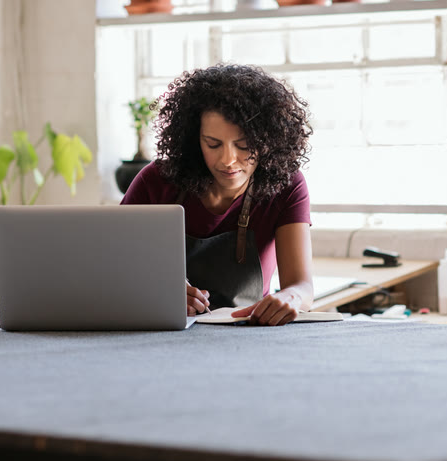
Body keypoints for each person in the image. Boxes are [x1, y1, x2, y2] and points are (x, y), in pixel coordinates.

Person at [121, 64, 314, 326]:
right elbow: (117, 271)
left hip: (251, 333)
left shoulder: (287, 185)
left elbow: (302, 286)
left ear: (269, 140)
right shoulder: (155, 182)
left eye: (244, 145)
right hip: (166, 331)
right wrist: (156, 291)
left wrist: (291, 297)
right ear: (193, 139)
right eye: (213, 144)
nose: (228, 160)